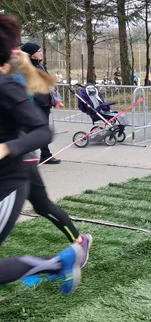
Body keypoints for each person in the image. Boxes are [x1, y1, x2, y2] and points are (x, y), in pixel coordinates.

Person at [0, 15, 89, 293]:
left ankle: (68, 254)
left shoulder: (8, 83)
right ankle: (72, 251)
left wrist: (7, 147)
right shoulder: (20, 75)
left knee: (43, 206)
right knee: (43, 206)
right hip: (22, 156)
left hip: (17, 166)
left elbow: (40, 126)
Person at [20, 42, 61, 165]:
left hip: (44, 103)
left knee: (42, 129)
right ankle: (25, 156)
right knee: (31, 130)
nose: (41, 53)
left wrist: (53, 98)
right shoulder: (25, 68)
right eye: (38, 51)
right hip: (33, 103)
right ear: (31, 54)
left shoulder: (41, 66)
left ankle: (45, 155)